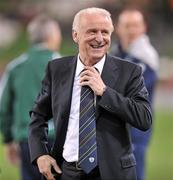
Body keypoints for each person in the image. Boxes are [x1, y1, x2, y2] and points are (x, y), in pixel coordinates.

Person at [28, 7, 152, 180]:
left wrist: (105, 92)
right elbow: (38, 116)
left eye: (105, 32)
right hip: (66, 172)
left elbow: (144, 118)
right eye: (92, 31)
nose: (99, 38)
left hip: (112, 173)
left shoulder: (130, 72)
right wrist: (40, 153)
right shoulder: (57, 69)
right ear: (75, 35)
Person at [0, 15, 62, 180]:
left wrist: (8, 140)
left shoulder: (15, 67)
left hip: (26, 142)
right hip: (57, 141)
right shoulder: (64, 66)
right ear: (52, 36)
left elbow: (3, 107)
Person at [110, 8, 159, 180]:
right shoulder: (116, 52)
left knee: (133, 174)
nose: (132, 30)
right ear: (118, 28)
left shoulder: (145, 57)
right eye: (127, 25)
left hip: (135, 127)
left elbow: (130, 92)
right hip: (114, 124)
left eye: (136, 25)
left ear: (144, 28)